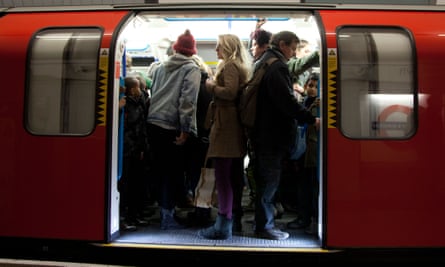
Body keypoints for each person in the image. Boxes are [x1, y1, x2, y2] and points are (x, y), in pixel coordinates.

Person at [251, 31, 320, 240]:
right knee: (270, 182)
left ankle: (264, 223)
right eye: (292, 48)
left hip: (263, 133)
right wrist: (310, 119)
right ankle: (265, 227)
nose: (294, 53)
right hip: (272, 135)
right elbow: (286, 102)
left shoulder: (263, 61)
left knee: (266, 181)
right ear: (282, 45)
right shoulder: (277, 66)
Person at [146, 29, 201, 230]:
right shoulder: (191, 69)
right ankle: (167, 217)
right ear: (191, 51)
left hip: (153, 123)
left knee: (160, 170)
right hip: (171, 126)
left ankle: (163, 210)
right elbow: (188, 101)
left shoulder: (160, 67)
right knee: (172, 172)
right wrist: (186, 129)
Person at [198, 34, 251, 239]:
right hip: (229, 124)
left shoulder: (230, 66)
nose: (216, 50)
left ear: (228, 47)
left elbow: (230, 92)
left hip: (225, 126)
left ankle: (222, 225)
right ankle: (226, 221)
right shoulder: (238, 65)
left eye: (219, 46)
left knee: (222, 176)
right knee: (228, 176)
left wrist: (211, 86)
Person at [287, 73, 320, 234]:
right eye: (309, 85)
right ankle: (303, 216)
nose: (311, 89)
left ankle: (308, 218)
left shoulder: (319, 105)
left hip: (312, 152)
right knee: (302, 186)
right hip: (302, 150)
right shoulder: (303, 103)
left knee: (310, 186)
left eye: (315, 86)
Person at [119, 76, 150, 231]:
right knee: (126, 185)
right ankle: (124, 217)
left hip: (137, 149)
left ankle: (134, 215)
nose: (140, 90)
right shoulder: (126, 106)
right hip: (127, 149)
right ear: (132, 89)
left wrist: (143, 148)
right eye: (137, 87)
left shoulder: (139, 103)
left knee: (136, 184)